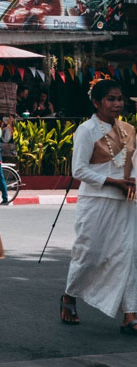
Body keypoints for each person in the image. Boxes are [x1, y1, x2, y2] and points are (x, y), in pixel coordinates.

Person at [60, 79, 137, 331]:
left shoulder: (129, 130)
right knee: (89, 253)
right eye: (111, 99)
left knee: (127, 256)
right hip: (95, 200)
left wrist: (131, 182)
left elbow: (133, 165)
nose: (117, 104)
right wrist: (113, 182)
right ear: (96, 102)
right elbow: (79, 170)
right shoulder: (87, 130)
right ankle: (70, 295)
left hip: (126, 201)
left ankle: (130, 313)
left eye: (120, 99)